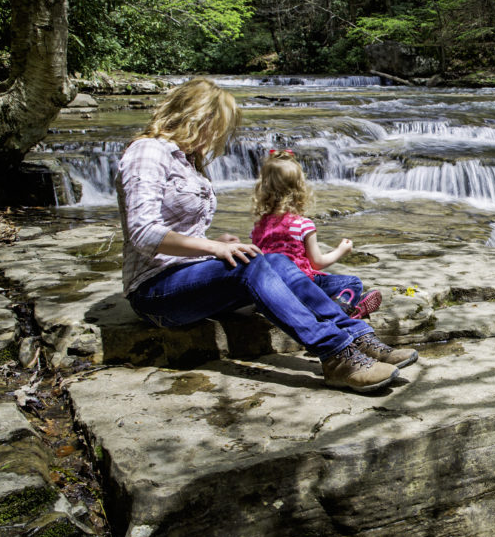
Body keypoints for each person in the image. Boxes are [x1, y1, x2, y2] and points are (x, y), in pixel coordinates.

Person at [115, 78, 417, 393]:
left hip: (191, 278)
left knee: (275, 260)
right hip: (155, 292)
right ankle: (337, 355)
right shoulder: (148, 151)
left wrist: (220, 245)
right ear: (197, 118)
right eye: (218, 127)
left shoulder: (189, 161)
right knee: (254, 265)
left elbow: (182, 233)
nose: (220, 137)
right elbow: (144, 233)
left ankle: (359, 338)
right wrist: (214, 248)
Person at [249, 149, 382, 320]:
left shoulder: (259, 226)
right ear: (299, 189)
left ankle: (337, 307)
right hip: (300, 286)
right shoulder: (303, 225)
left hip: (270, 289)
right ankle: (337, 312)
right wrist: (341, 250)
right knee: (353, 283)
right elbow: (317, 263)